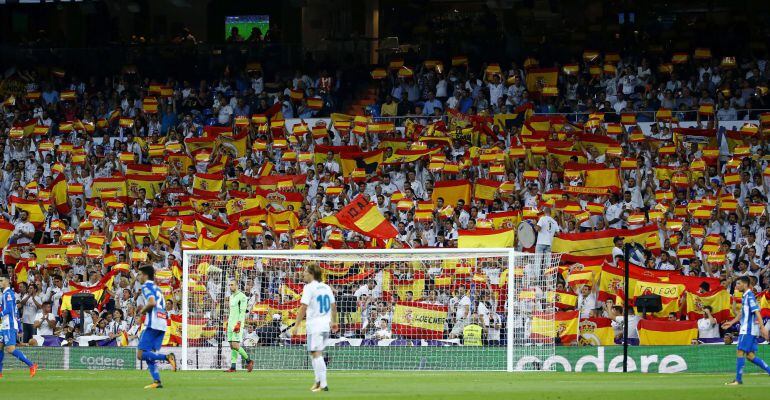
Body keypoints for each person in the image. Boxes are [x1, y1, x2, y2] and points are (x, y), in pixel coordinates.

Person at [292, 263, 337, 393]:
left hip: (315, 325)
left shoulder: (309, 287)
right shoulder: (326, 287)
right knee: (315, 353)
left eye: (305, 272)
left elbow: (303, 307)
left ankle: (323, 384)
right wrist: (334, 322)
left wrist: (296, 325)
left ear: (311, 274)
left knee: (316, 353)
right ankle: (318, 381)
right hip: (326, 325)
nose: (303, 274)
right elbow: (333, 306)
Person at [721, 276, 770, 385]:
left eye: (738, 284)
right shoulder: (746, 296)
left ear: (745, 284)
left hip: (747, 329)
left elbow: (757, 312)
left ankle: (738, 380)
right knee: (750, 356)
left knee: (740, 351)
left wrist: (763, 328)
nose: (736, 286)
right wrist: (732, 322)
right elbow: (742, 313)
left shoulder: (749, 296)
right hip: (749, 329)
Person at [136, 265, 177, 389]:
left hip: (153, 323)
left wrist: (142, 311)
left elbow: (152, 302)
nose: (139, 277)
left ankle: (167, 357)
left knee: (140, 354)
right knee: (149, 353)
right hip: (162, 322)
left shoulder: (146, 286)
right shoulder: (157, 288)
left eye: (140, 274)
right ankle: (157, 381)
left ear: (145, 275)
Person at [0, 274, 38, 378]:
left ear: (7, 281)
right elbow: (15, 310)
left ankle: (31, 365)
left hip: (8, 325)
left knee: (10, 349)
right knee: (0, 347)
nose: (0, 282)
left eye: (1, 280)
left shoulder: (8, 294)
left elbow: (8, 310)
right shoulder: (4, 294)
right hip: (3, 324)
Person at [225, 279, 254, 372]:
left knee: (235, 345)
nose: (230, 286)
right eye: (229, 285)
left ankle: (249, 361)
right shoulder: (231, 297)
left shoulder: (242, 297)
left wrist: (239, 323)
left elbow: (242, 312)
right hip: (230, 324)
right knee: (231, 345)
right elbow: (232, 311)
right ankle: (233, 367)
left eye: (232, 285)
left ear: (237, 286)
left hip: (237, 324)